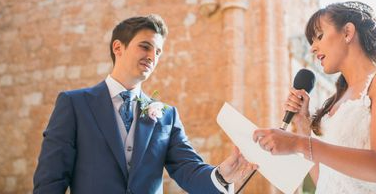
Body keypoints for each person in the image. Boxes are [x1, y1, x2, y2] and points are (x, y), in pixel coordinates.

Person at [33, 14, 255, 194]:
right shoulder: (74, 104)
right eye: (145, 47)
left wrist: (222, 174)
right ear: (118, 48)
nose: (152, 56)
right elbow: (51, 179)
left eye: (158, 52)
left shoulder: (167, 115)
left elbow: (188, 169)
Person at [253, 1, 376, 194]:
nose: (312, 48)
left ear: (347, 32)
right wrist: (302, 124)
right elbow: (326, 180)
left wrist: (298, 143)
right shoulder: (338, 99)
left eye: (319, 36)